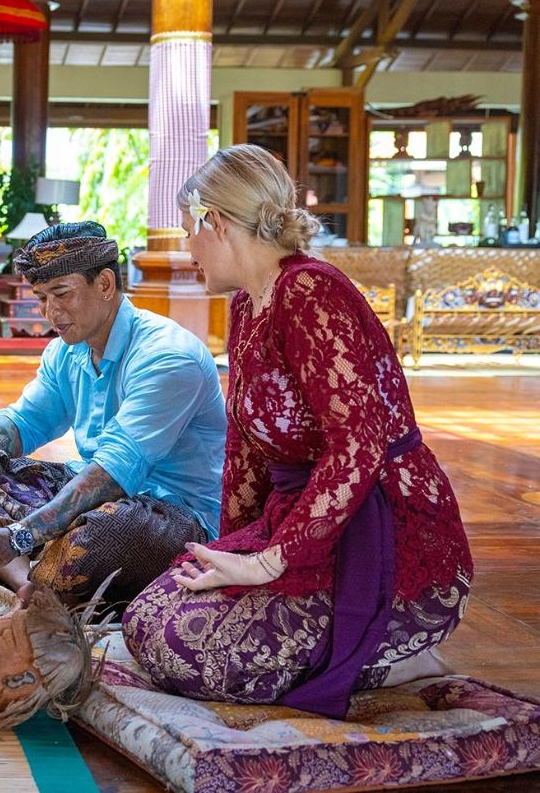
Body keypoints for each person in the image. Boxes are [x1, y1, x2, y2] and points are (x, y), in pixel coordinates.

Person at [123, 144, 473, 719]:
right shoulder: (246, 305)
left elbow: (358, 446)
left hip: (382, 528)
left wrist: (267, 563)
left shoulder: (311, 293)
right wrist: (230, 554)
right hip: (297, 520)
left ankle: (388, 653)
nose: (188, 249)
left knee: (186, 648)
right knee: (148, 616)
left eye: (190, 230)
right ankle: (358, 652)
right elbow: (247, 449)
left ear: (218, 221)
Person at [0, 220, 225, 604]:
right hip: (93, 493)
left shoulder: (167, 357)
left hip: (171, 516)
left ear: (104, 284)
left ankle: (33, 568)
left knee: (93, 539)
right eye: (41, 298)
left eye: (61, 294)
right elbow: (24, 424)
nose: (50, 312)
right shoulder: (67, 350)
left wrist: (19, 535)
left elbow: (111, 475)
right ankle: (32, 585)